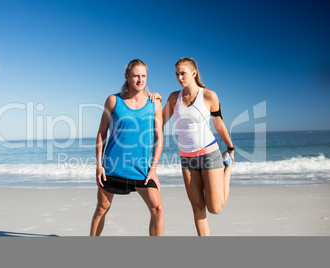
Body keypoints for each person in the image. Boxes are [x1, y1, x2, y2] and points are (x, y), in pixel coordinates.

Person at [150, 57, 234, 236]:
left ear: (194, 73)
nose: (179, 77)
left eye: (183, 73)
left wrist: (230, 147)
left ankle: (228, 169)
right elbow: (159, 121)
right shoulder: (174, 98)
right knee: (197, 208)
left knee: (215, 208)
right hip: (187, 158)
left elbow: (219, 124)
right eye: (176, 74)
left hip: (210, 155)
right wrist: (155, 101)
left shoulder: (209, 96)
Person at [90, 59, 164, 236]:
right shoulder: (113, 100)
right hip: (113, 168)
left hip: (142, 169)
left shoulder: (155, 102)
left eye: (144, 76)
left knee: (158, 209)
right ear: (127, 77)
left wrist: (153, 169)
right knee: (102, 208)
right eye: (136, 76)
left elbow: (159, 137)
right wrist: (99, 166)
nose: (140, 80)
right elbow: (101, 133)